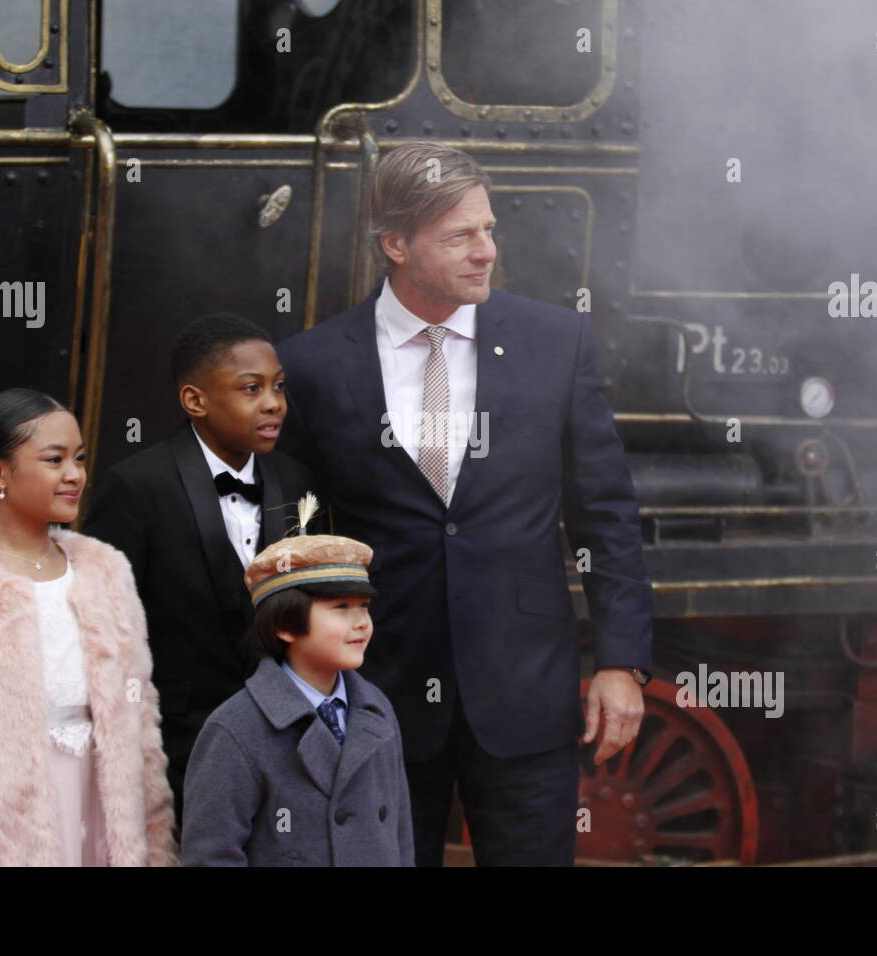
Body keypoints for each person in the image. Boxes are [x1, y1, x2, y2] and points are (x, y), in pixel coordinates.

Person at [276, 142, 655, 866]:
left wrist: (621, 661)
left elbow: (606, 513)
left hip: (527, 700)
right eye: (460, 236)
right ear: (395, 244)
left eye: (488, 229)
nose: (486, 251)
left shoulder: (557, 342)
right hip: (371, 701)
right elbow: (284, 536)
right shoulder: (313, 365)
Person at [0, 388, 177, 866]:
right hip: (4, 828)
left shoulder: (105, 569)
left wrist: (154, 847)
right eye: (54, 459)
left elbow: (141, 723)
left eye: (79, 459)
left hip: (106, 815)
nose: (75, 475)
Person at [82, 313, 326, 826]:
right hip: (178, 742)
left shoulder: (300, 480)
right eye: (250, 388)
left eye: (279, 387)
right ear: (195, 400)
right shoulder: (136, 486)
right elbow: (102, 629)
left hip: (288, 736)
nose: (273, 403)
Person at [181, 498, 413, 866]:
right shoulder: (236, 728)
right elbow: (211, 855)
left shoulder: (377, 710)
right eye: (341, 608)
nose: (361, 623)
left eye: (364, 607)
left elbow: (399, 838)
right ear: (284, 625)